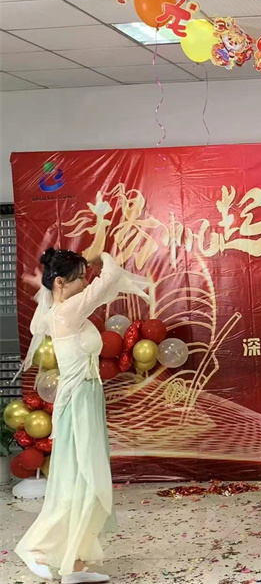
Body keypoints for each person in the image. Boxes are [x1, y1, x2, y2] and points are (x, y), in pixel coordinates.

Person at [15, 248, 150, 583]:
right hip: (78, 402)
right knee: (83, 480)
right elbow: (111, 277)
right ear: (61, 282)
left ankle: (73, 563)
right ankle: (36, 548)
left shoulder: (55, 311)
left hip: (85, 399)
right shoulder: (69, 311)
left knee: (83, 480)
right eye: (79, 278)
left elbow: (46, 309)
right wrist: (100, 254)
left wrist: (54, 283)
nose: (86, 281)